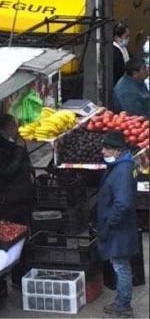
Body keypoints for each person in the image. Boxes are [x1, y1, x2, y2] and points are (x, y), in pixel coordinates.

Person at [0, 114, 34, 284]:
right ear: (3, 130)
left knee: (23, 240)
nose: (16, 128)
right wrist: (19, 150)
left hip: (21, 200)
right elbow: (8, 172)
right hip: (6, 204)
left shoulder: (17, 143)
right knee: (9, 240)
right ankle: (11, 276)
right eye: (12, 126)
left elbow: (25, 166)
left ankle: (21, 275)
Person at [96, 131, 138, 318]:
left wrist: (109, 222)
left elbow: (123, 203)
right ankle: (122, 303)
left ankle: (123, 306)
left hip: (119, 230)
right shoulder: (120, 166)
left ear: (118, 151)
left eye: (107, 148)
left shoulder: (122, 171)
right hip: (120, 228)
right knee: (121, 265)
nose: (103, 151)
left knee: (121, 267)